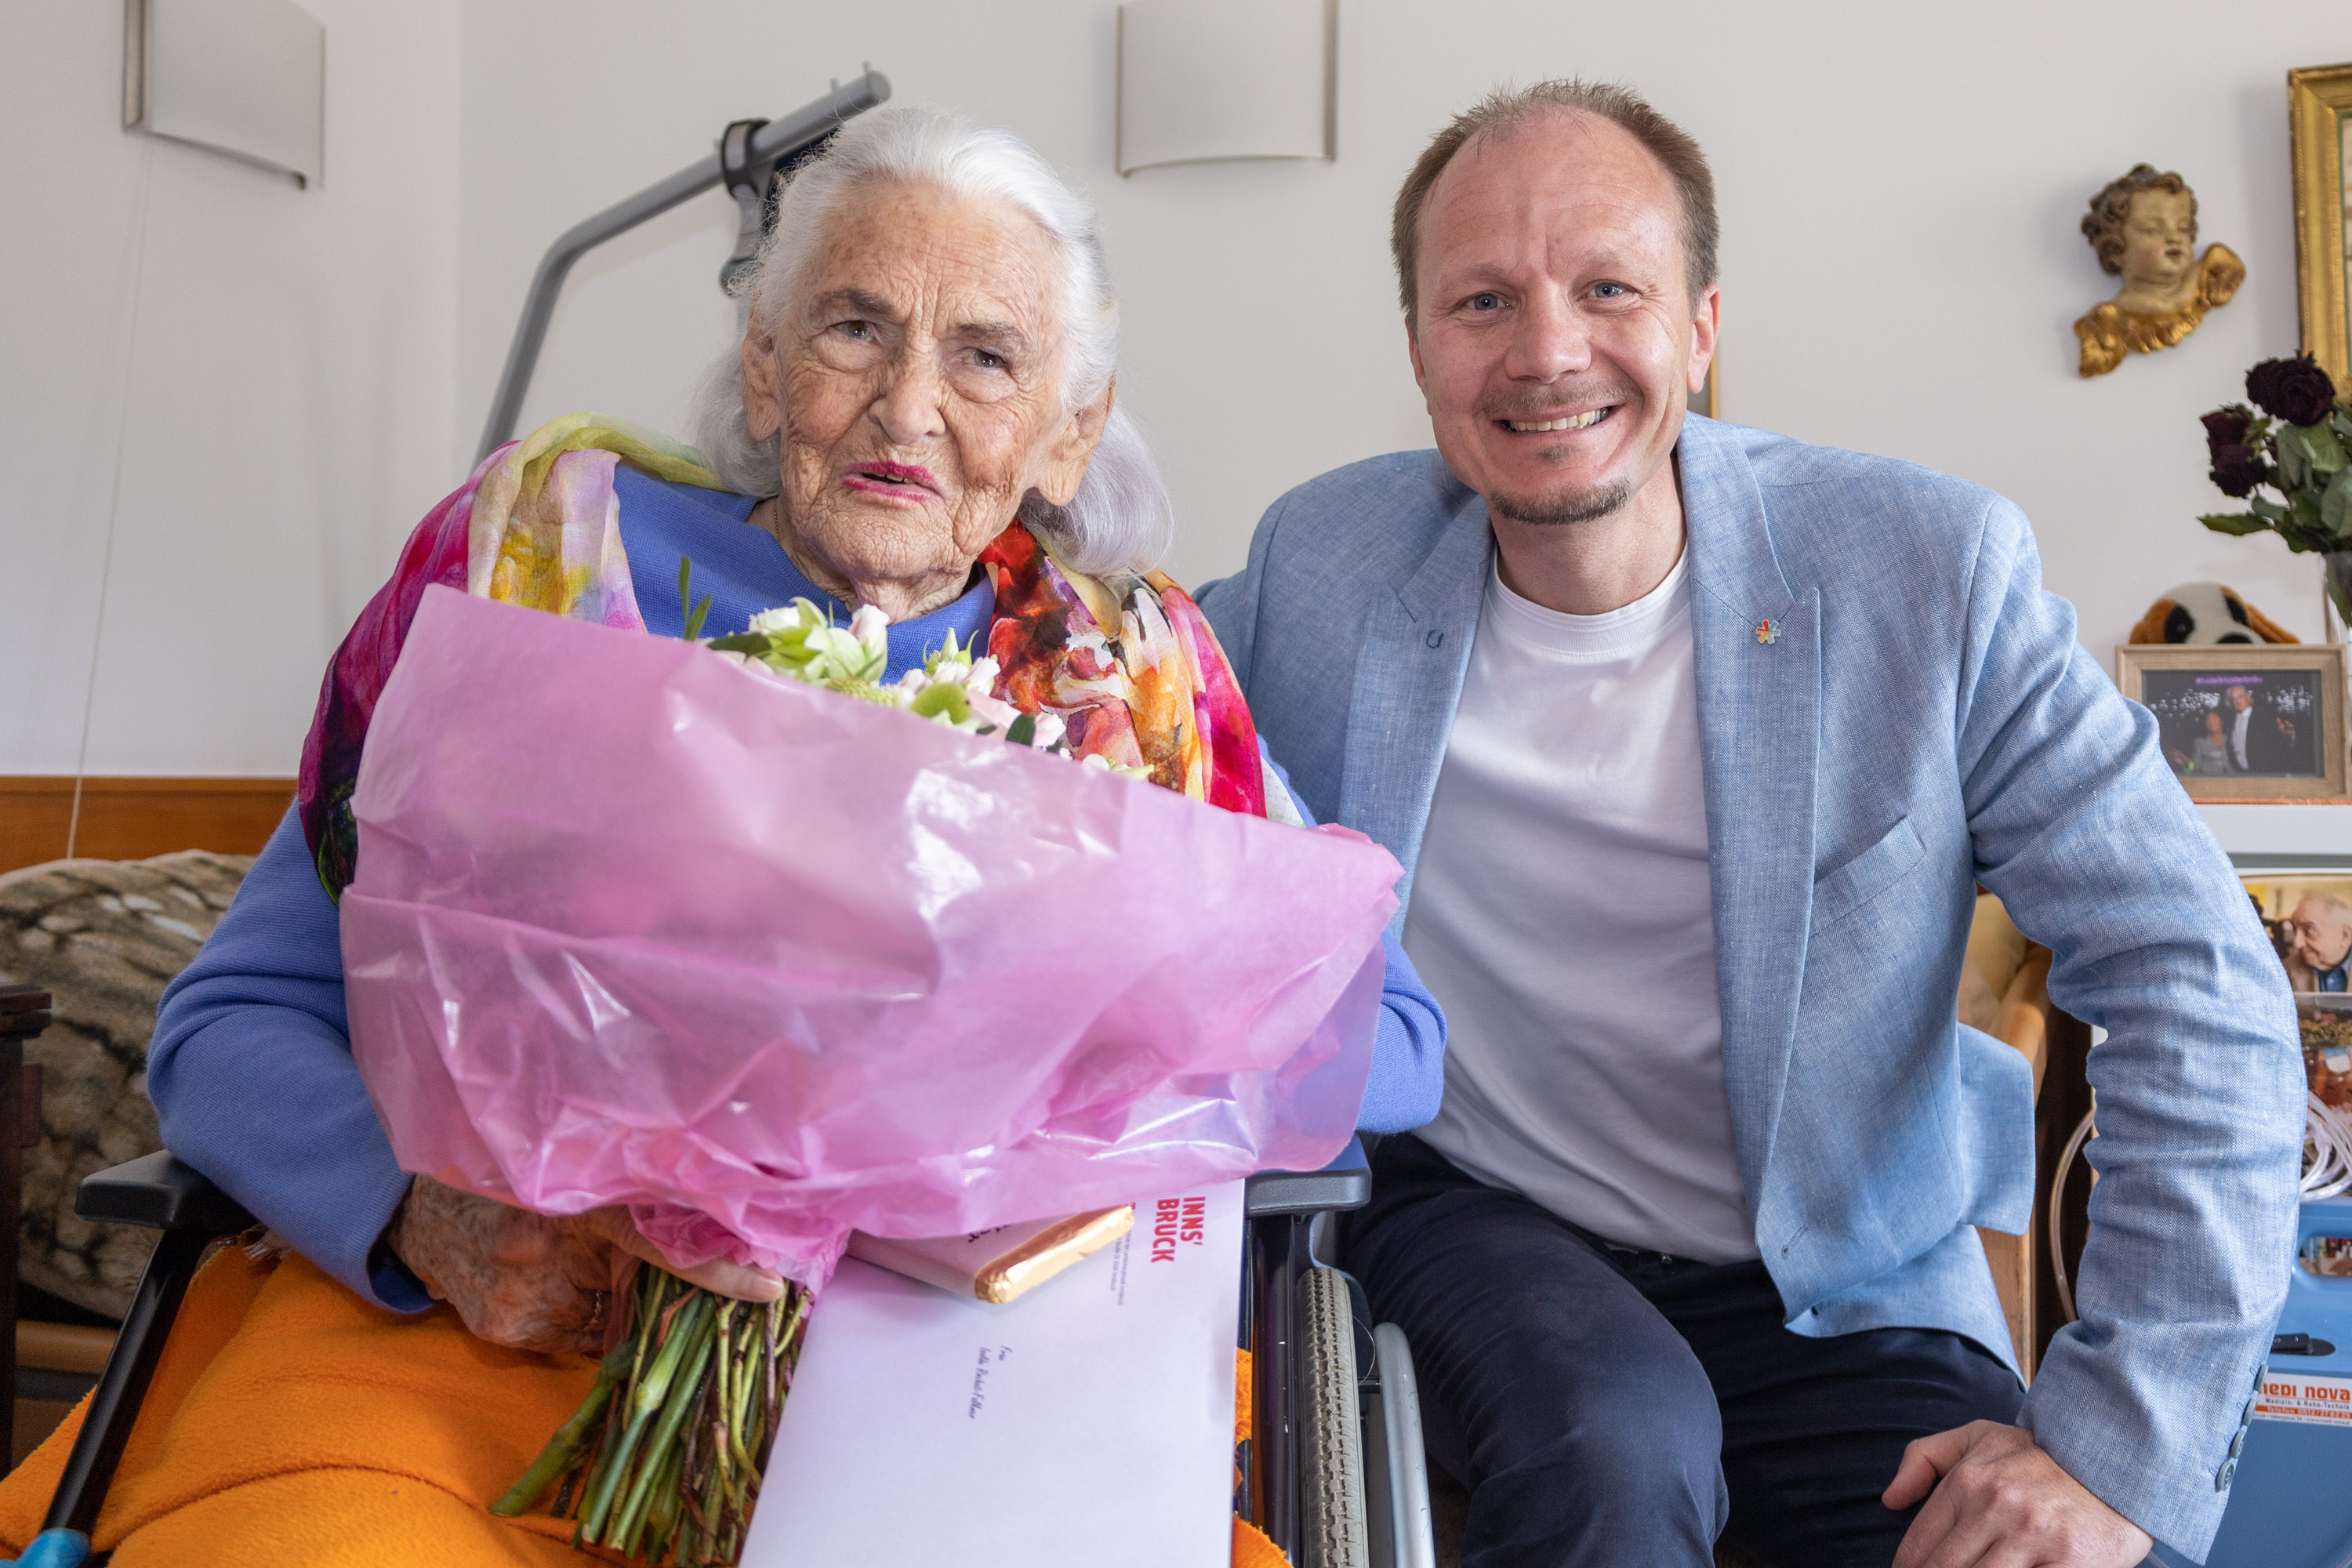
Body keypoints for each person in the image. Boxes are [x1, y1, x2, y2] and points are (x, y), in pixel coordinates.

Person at [0, 106, 1444, 1564]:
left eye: (987, 358)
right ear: (764, 361)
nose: (905, 409)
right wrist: (415, 1215)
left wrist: (1056, 1093)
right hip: (481, 1338)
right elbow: (232, 1024)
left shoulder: (1135, 683)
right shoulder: (534, 571)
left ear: (1069, 430)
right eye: (853, 330)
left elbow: (1391, 1034)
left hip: (951, 1385)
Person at [1198, 79, 2302, 1568]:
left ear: (1702, 327)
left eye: (1608, 288)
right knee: (1618, 1447)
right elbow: (1102, 706)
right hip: (1479, 1219)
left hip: (1843, 1279)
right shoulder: (1319, 564)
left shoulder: (1933, 574)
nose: (1546, 352)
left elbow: (2196, 977)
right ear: (1416, 348)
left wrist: (2115, 1451)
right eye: (1480, 301)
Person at [2072, 163, 2242, 378]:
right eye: (2151, 230)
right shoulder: (2108, 320)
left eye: (2182, 228)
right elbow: (2093, 364)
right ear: (2116, 248)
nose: (2174, 237)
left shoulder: (2207, 273)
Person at [2222, 681, 2305, 775]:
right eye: (2234, 699)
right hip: (2240, 774)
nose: (2237, 701)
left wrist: (2288, 739)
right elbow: (2230, 748)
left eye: (2240, 697)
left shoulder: (2265, 716)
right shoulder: (2230, 722)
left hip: (2262, 773)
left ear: (2247, 697)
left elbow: (2278, 746)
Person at [2285, 893, 2352, 993]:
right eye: (2295, 930)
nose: (2297, 943)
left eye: (2309, 930)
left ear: (2345, 936)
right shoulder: (2284, 970)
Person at [2170, 707, 2233, 775]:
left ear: (2221, 721)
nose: (2211, 722)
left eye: (2214, 719)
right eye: (2208, 720)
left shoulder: (2230, 739)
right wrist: (2186, 762)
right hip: (2211, 780)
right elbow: (2196, 767)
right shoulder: (2200, 742)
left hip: (2235, 779)